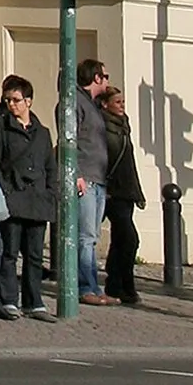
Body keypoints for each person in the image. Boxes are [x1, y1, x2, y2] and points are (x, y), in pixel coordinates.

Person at [0, 74, 55, 319]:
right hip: (13, 198)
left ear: (29, 101)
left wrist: (50, 193)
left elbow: (50, 166)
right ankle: (9, 299)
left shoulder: (43, 133)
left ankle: (34, 301)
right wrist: (5, 190)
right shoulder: (1, 128)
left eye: (16, 100)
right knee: (9, 252)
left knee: (35, 255)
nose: (11, 104)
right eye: (7, 100)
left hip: (38, 200)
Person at [100, 85, 144, 307]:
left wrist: (137, 191)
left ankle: (121, 285)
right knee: (129, 239)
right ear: (105, 104)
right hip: (111, 190)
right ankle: (119, 283)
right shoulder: (103, 126)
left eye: (123, 102)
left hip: (125, 190)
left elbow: (129, 161)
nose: (122, 106)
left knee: (122, 240)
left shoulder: (124, 125)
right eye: (117, 102)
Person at [74, 55, 113, 302]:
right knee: (85, 236)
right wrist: (76, 174)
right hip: (85, 177)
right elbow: (70, 139)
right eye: (105, 76)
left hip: (98, 178)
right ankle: (84, 287)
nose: (108, 81)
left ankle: (94, 287)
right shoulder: (76, 101)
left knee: (93, 236)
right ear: (96, 77)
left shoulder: (93, 104)